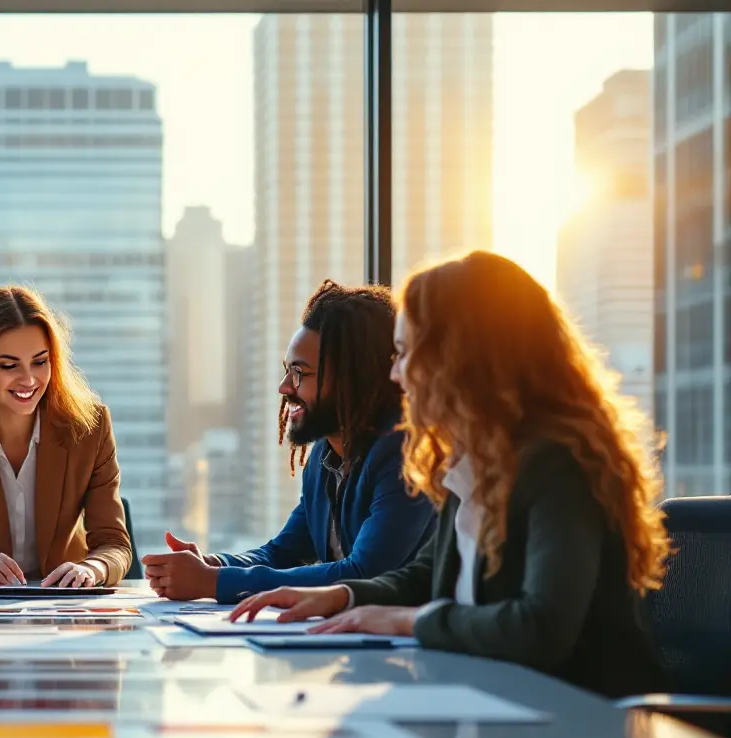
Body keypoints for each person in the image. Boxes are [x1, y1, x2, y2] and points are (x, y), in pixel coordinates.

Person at [232, 251, 671, 698]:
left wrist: (408, 620)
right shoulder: (476, 461)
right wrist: (343, 596)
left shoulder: (559, 465)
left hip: (584, 724)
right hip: (498, 704)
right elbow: (424, 576)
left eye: (404, 355)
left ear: (461, 360)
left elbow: (541, 626)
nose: (394, 375)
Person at [144, 279, 434, 602]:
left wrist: (214, 582)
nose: (285, 387)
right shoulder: (325, 456)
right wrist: (213, 565)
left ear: (352, 379)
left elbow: (363, 574)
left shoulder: (405, 452)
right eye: (287, 371)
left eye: (299, 372)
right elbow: (282, 553)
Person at [0, 286, 132, 588]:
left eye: (40, 362)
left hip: (63, 604)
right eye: (9, 365)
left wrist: (91, 569)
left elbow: (114, 543)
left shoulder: (89, 428)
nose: (29, 380)